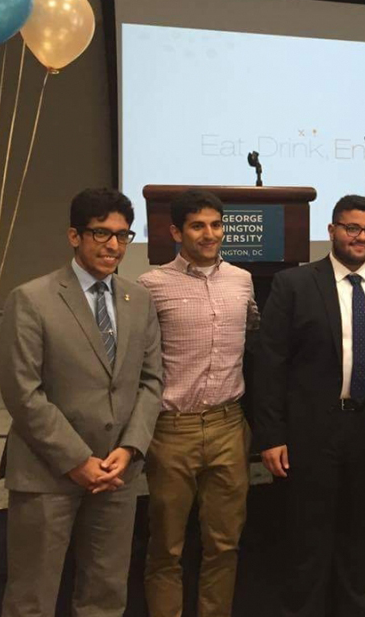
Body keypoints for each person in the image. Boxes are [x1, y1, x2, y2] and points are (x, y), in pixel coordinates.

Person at [253, 194, 365, 617]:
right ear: (331, 231)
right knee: (308, 538)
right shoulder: (294, 285)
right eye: (352, 228)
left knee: (363, 536)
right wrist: (271, 436)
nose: (361, 237)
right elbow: (269, 364)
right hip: (313, 432)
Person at [0, 187, 164, 617]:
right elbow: (22, 391)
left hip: (117, 474)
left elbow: (151, 381)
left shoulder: (138, 299)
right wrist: (77, 460)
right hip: (48, 474)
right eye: (101, 234)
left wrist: (129, 449)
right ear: (74, 236)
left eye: (123, 236)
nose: (114, 246)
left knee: (105, 596)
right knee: (31, 598)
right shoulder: (31, 299)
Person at [138, 189, 260, 617]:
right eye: (197, 225)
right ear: (176, 231)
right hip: (172, 431)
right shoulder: (151, 286)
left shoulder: (242, 281)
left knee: (224, 545)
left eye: (215, 224)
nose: (209, 234)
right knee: (166, 548)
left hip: (229, 426)